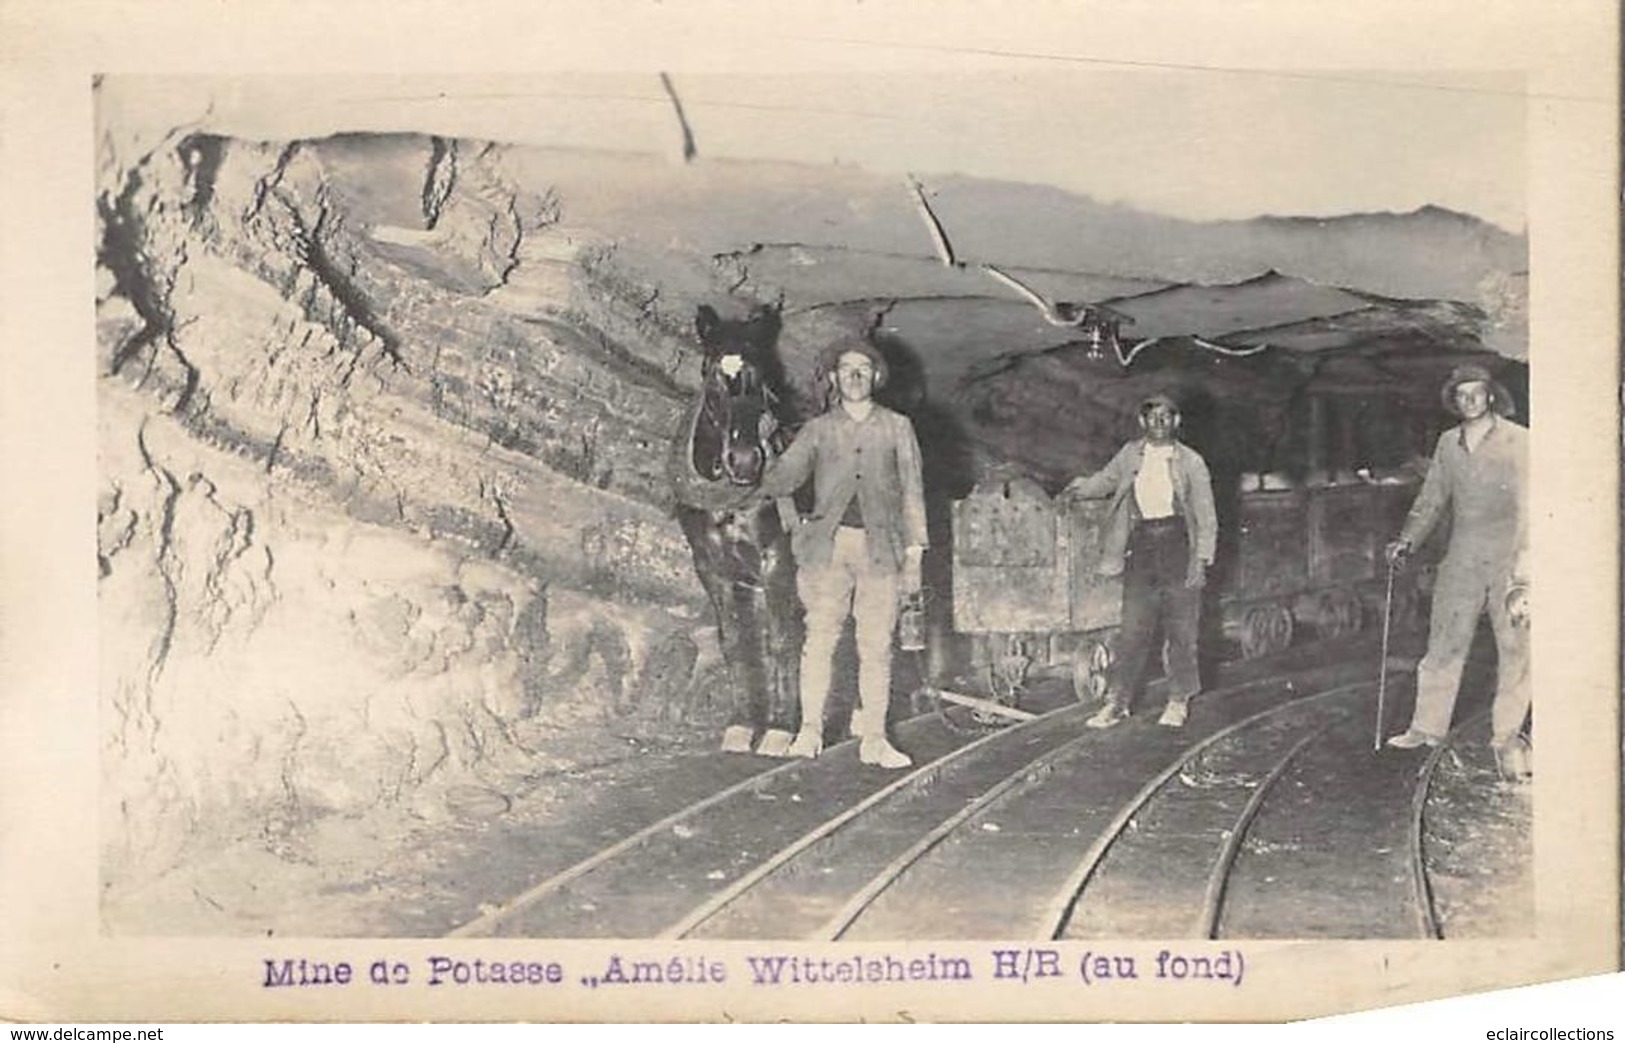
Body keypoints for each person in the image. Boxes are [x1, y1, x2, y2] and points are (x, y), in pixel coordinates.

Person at [749, 341, 928, 768]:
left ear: (875, 377)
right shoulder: (818, 429)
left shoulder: (897, 426)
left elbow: (912, 490)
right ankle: (809, 731)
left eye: (862, 369)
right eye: (846, 369)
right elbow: (784, 478)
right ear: (833, 378)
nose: (854, 376)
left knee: (877, 645)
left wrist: (916, 550)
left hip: (881, 548)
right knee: (820, 639)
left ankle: (875, 739)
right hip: (827, 547)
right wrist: (760, 448)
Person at [1383, 364, 1530, 780]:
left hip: (1510, 559)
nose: (1469, 401)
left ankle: (1507, 735)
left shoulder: (1520, 440)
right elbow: (1432, 500)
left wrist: (1527, 563)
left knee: (1516, 648)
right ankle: (1426, 728)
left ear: (1491, 396)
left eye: (1476, 393)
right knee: (1444, 642)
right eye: (1461, 394)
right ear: (1454, 400)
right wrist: (1406, 540)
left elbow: (1533, 503)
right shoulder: (1448, 443)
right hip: (1462, 557)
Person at [1063, 392, 1217, 729]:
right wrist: (1077, 489)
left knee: (1182, 629)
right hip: (1143, 544)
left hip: (1180, 545)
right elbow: (1106, 480)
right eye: (1152, 417)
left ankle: (1178, 700)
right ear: (1142, 421)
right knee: (1133, 628)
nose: (1159, 423)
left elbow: (1206, 514)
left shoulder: (1192, 461)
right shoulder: (1131, 454)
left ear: (1177, 421)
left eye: (1166, 416)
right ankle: (1117, 703)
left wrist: (1201, 560)